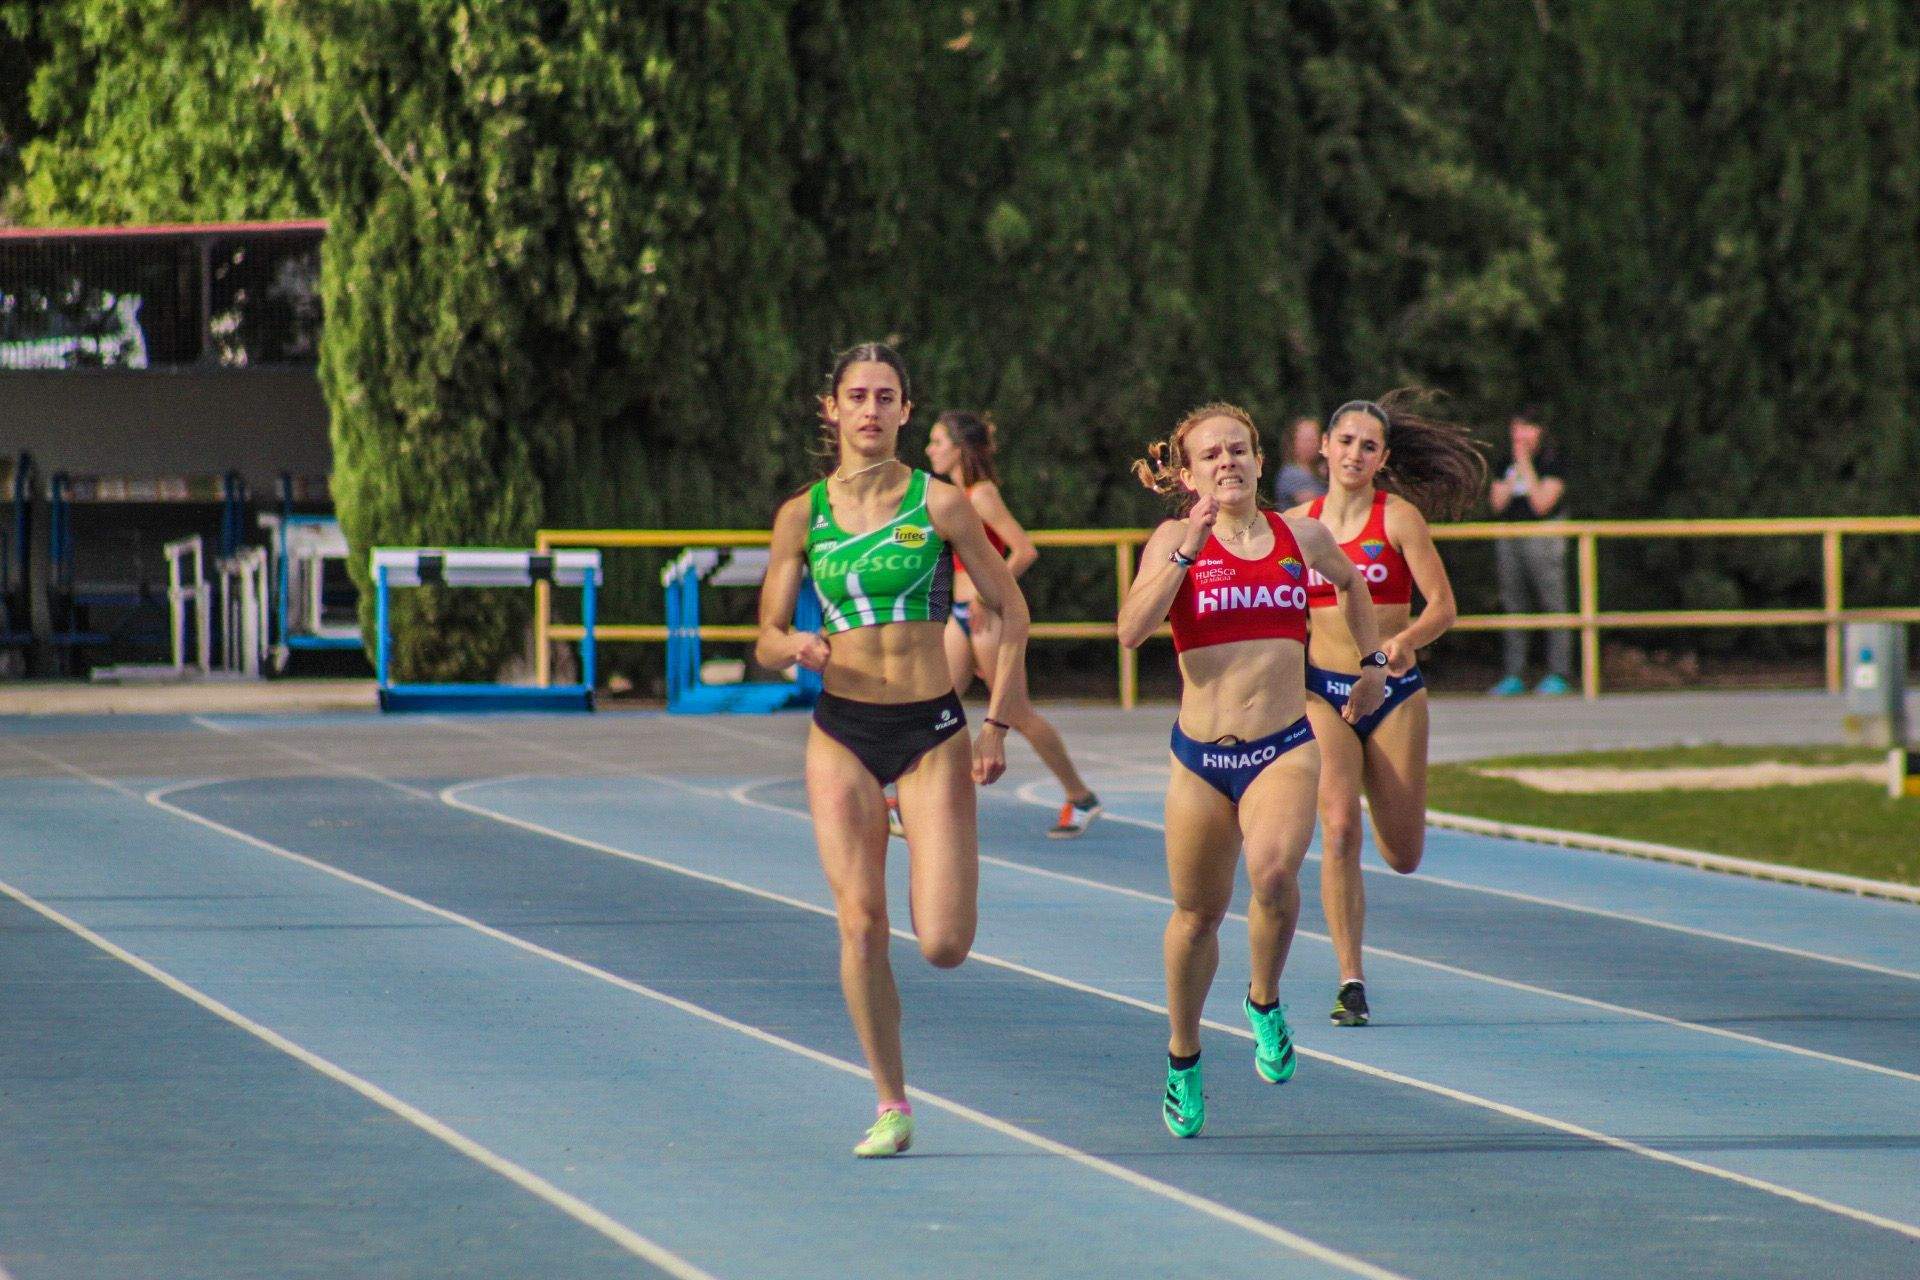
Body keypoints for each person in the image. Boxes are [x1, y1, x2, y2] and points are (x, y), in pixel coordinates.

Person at [756, 342, 1032, 1158]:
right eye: (857, 396)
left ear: (906, 412)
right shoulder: (801, 515)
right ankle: (890, 1102)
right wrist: (793, 644)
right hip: (842, 731)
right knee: (861, 923)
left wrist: (997, 725)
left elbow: (1012, 616)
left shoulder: (941, 504)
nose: (870, 410)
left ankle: (917, 817)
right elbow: (764, 638)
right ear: (830, 409)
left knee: (944, 944)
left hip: (931, 732)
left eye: (886, 397)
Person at [1119, 403, 1387, 1138]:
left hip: (1283, 745)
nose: (1227, 463)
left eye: (1238, 450)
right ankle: (1183, 1056)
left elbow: (1354, 586)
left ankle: (1263, 998)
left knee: (1273, 875)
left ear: (1261, 461)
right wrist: (1185, 552)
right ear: (1188, 472)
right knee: (1197, 915)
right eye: (1210, 455)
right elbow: (1131, 630)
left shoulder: (1300, 536)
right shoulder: (1175, 539)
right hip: (1201, 758)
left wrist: (1373, 664)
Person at [1288, 392, 1484, 1027]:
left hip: (1394, 692)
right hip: (1324, 693)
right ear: (1324, 447)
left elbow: (1443, 608)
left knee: (1402, 855)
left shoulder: (1397, 519)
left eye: (1367, 446)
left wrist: (1403, 642)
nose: (1354, 454)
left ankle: (1388, 809)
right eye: (1344, 441)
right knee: (1338, 828)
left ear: (1382, 458)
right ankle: (1351, 979)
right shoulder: (1296, 524)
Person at [922, 410, 1101, 838]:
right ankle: (912, 797)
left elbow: (1023, 550)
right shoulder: (952, 494)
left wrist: (989, 593)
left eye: (937, 441)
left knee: (1015, 713)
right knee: (932, 702)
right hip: (961, 617)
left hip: (988, 617)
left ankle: (1080, 796)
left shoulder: (981, 495)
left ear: (959, 448)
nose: (929, 449)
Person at [1488, 406, 1571, 695]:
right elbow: (1497, 503)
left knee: (1552, 604)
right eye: (1516, 427)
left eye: (1526, 427)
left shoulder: (1551, 461)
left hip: (1543, 536)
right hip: (1510, 535)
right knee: (1514, 605)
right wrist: (1513, 471)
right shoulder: (1504, 461)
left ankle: (1559, 673)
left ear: (1540, 431)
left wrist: (1525, 464)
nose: (1520, 435)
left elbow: (1541, 504)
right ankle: (1514, 674)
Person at [1272, 415, 1330, 507]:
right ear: (1293, 442)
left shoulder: (1317, 473)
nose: (1311, 444)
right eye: (1306, 440)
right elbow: (1315, 506)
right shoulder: (1291, 474)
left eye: (1314, 439)